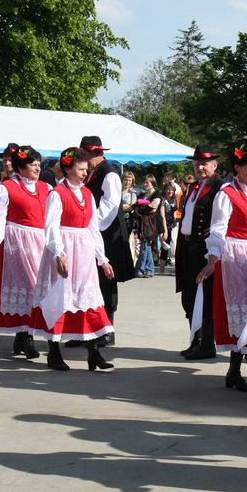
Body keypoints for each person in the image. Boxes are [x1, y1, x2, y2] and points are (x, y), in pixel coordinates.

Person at [196, 142, 247, 395]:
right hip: (236, 258)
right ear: (237, 167)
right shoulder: (227, 193)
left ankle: (233, 371)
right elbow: (218, 229)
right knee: (244, 315)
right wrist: (212, 258)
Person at [28, 148, 115, 371]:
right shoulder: (57, 193)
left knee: (88, 301)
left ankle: (93, 352)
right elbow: (51, 227)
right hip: (65, 252)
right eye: (81, 168)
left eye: (87, 169)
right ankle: (54, 353)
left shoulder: (87, 194)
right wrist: (58, 253)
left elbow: (93, 229)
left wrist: (102, 259)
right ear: (68, 168)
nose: (85, 173)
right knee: (59, 300)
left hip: (84, 254)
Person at [0, 145, 50, 359]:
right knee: (27, 288)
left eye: (39, 164)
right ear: (21, 167)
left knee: (37, 289)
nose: (37, 168)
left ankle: (23, 336)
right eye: (33, 164)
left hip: (39, 242)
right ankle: (27, 336)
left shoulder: (46, 188)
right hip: (16, 243)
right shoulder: (7, 188)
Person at [80, 135, 136, 346]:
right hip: (94, 233)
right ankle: (87, 329)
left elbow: (110, 207)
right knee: (88, 281)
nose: (85, 160)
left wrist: (89, 225)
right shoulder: (91, 173)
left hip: (108, 236)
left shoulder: (109, 174)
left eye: (86, 155)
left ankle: (107, 330)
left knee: (106, 281)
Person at [176, 146, 224, 361]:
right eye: (196, 164)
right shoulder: (194, 186)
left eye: (204, 163)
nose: (200, 167)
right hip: (187, 246)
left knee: (203, 297)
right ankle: (195, 341)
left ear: (215, 165)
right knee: (189, 296)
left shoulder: (220, 188)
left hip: (204, 249)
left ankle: (207, 344)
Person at [134, 175, 162, 278]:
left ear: (153, 183)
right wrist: (144, 207)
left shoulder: (157, 194)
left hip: (151, 224)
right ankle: (150, 269)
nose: (145, 184)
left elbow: (154, 207)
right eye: (144, 182)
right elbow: (136, 207)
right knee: (147, 246)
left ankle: (140, 269)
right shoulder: (142, 194)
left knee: (145, 245)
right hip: (142, 223)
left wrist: (141, 208)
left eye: (147, 183)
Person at [159, 183, 178, 273]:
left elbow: (174, 212)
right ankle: (161, 269)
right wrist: (165, 230)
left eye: (172, 190)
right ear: (164, 190)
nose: (170, 191)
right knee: (164, 246)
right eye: (168, 189)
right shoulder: (163, 200)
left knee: (168, 246)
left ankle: (162, 269)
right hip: (163, 226)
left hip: (171, 226)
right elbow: (162, 216)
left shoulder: (174, 199)